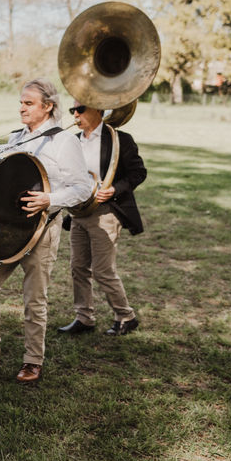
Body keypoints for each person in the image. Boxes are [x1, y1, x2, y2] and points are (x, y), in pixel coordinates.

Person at [0, 79, 92, 382]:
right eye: (21, 102)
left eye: (28, 103)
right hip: (8, 230)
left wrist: (49, 199)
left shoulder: (63, 141)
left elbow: (83, 188)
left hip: (42, 229)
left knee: (34, 298)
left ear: (48, 106)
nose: (21, 108)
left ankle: (32, 360)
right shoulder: (16, 138)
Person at [57, 100, 146, 336]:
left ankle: (126, 316)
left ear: (98, 109)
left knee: (103, 270)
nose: (75, 114)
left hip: (106, 212)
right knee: (78, 267)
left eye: (80, 109)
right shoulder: (73, 141)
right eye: (72, 110)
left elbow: (138, 172)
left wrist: (115, 189)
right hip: (78, 213)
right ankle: (84, 317)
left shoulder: (120, 139)